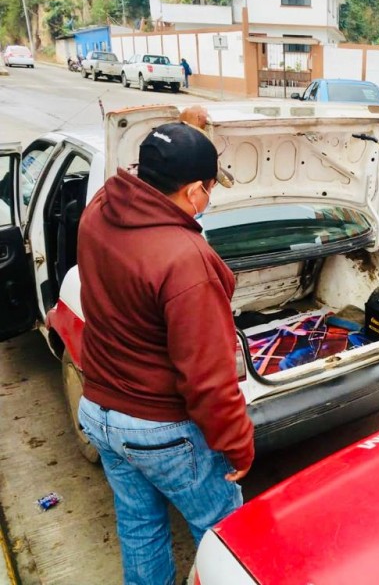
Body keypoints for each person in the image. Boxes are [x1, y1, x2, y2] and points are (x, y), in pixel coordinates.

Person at [77, 119, 254, 585]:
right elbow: (208, 380)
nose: (209, 199)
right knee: (227, 536)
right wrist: (238, 444)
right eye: (210, 189)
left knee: (139, 526)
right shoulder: (185, 258)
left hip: (99, 411)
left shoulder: (100, 209)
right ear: (195, 190)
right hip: (160, 429)